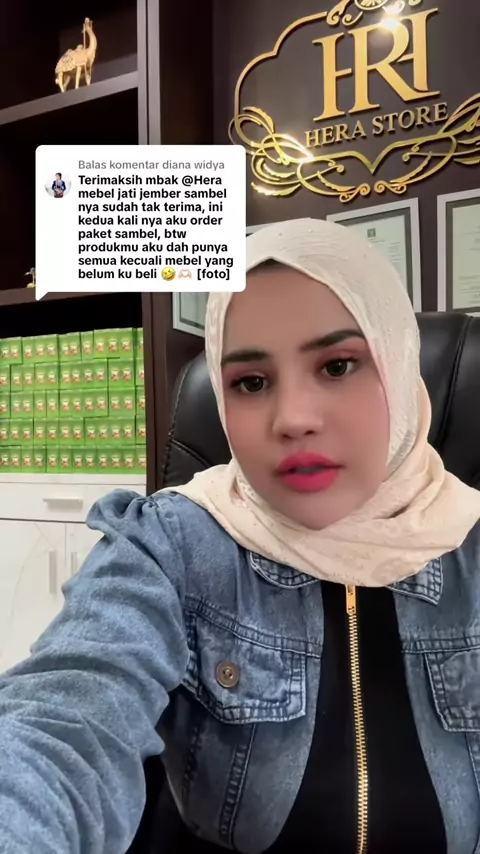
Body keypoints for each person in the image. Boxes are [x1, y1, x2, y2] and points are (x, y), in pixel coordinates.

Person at [0, 218, 478, 854]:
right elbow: (66, 716)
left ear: (397, 364)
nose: (293, 420)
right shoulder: (171, 545)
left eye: (338, 365)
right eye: (250, 382)